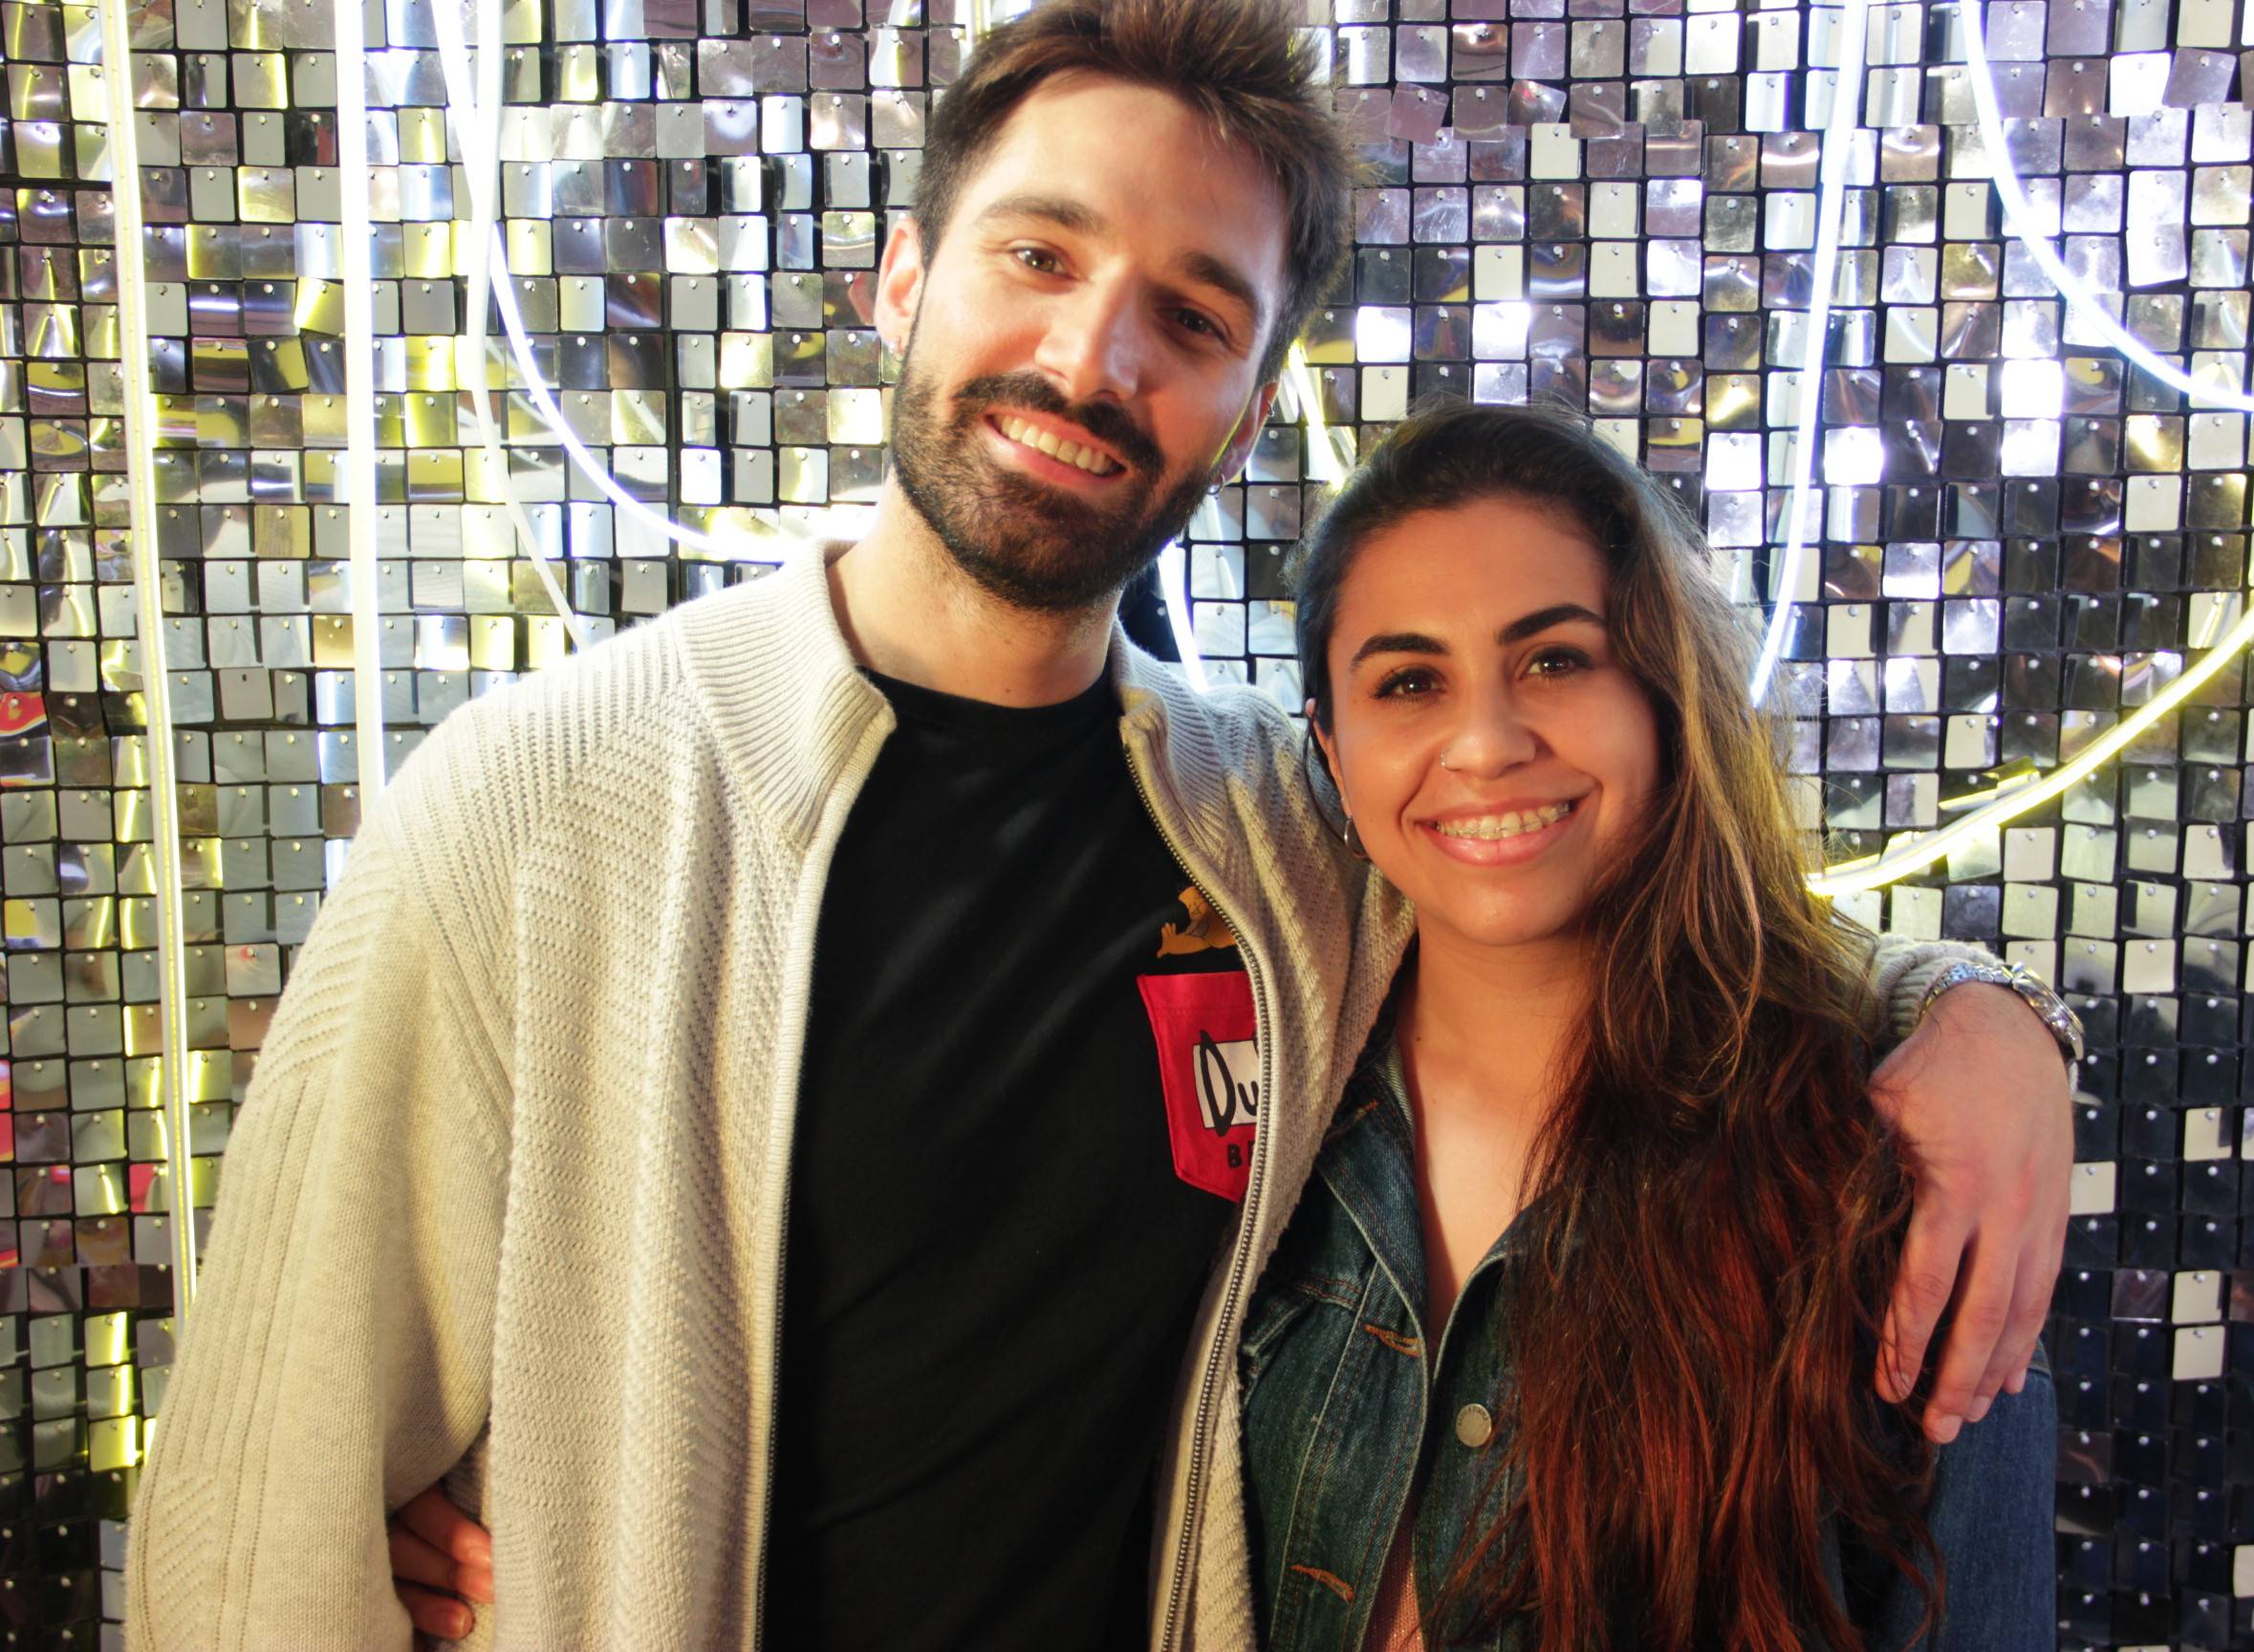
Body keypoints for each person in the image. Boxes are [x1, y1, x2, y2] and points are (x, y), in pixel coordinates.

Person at [126, 3, 2076, 1647]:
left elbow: (1621, 901)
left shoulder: (1284, 829)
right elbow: (265, 1499)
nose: (1093, 360)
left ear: (1247, 409)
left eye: (1192, 314)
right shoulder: (542, 806)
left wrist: (1984, 1021)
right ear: (905, 278)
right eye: (1040, 259)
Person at [1242, 402, 2055, 1652]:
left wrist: (1996, 1017)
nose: (1485, 744)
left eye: (1555, 661)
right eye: (1408, 682)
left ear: (1666, 695)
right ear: (1331, 751)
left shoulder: (1900, 1183)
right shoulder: (1255, 1130)